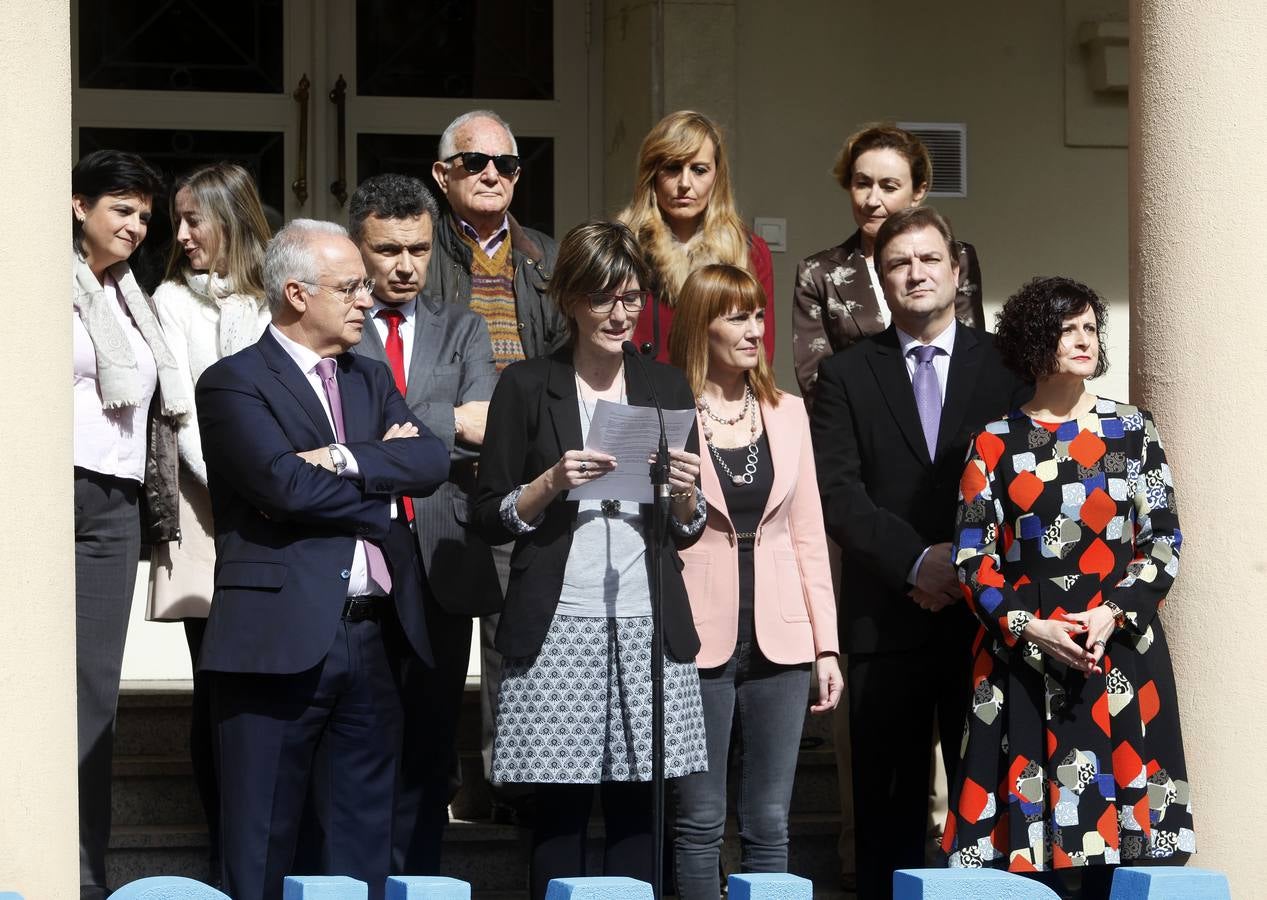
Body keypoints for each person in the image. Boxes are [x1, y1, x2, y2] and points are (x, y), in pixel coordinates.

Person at [195, 219, 449, 900]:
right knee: (262, 841)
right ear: (296, 293)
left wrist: (343, 459)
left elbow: (429, 459)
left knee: (360, 843)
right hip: (277, 642)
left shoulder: (370, 379)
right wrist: (382, 500)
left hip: (375, 637)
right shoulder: (233, 383)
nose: (368, 300)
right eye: (351, 287)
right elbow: (278, 484)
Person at [471, 221, 709, 900]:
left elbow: (685, 530)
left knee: (640, 802)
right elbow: (487, 511)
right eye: (603, 297)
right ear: (569, 299)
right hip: (558, 619)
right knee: (560, 809)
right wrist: (549, 483)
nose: (618, 313)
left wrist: (687, 495)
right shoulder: (525, 385)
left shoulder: (662, 384)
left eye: (631, 297)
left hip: (647, 617)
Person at [943, 276, 1193, 899]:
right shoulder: (992, 443)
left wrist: (1113, 612)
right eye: (1066, 329)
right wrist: (1031, 629)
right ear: (1034, 342)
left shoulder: (1133, 431)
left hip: (1120, 661)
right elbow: (973, 559)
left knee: (1129, 865)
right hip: (1021, 667)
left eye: (1089, 327)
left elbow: (1163, 541)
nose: (1083, 340)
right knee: (1023, 870)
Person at [809, 206, 1030, 900]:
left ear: (956, 270)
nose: (916, 273)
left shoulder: (1006, 367)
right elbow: (839, 493)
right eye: (899, 263)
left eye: (929, 259)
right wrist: (915, 563)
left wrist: (959, 573)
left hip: (984, 625)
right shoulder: (845, 375)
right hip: (886, 620)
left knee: (985, 810)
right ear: (880, 280)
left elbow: (1023, 485)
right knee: (886, 820)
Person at [666, 264, 843, 900]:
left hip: (783, 640)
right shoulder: (666, 411)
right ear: (699, 326)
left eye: (758, 315)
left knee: (770, 822)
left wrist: (826, 646)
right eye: (736, 316)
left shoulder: (788, 412)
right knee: (699, 821)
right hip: (695, 636)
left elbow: (808, 537)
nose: (755, 329)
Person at [346, 173, 500, 873]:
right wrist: (438, 428)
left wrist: (386, 436)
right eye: (387, 250)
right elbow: (338, 426)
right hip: (357, 550)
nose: (405, 266)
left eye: (417, 249)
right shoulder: (337, 330)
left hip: (442, 550)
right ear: (358, 247)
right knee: (364, 732)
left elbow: (485, 426)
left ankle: (419, 879)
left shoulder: (464, 326)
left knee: (432, 735)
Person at [429, 109, 566, 818]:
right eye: (474, 162)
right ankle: (436, 785)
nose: (491, 174)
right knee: (441, 634)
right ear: (441, 174)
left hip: (525, 472)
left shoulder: (544, 255)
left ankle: (509, 783)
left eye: (505, 165)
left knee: (520, 632)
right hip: (443, 466)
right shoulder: (419, 253)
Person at [146, 162, 273, 883]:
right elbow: (182, 408)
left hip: (280, 513)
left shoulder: (270, 299)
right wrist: (243, 482)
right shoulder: (168, 300)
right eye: (180, 221)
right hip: (211, 513)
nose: (183, 234)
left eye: (197, 219)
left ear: (233, 218)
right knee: (217, 684)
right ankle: (223, 851)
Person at [71, 149, 182, 900]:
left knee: (92, 690)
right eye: (121, 209)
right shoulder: (40, 279)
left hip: (112, 503)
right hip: (44, 493)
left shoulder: (134, 298)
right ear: (79, 206)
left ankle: (83, 868)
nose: (136, 225)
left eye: (145, 215)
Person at [793, 124, 985, 402]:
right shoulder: (818, 273)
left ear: (919, 190)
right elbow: (816, 383)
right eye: (862, 184)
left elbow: (970, 355)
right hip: (858, 432)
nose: (872, 200)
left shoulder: (957, 257)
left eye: (889, 186)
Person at [617, 110, 775, 363]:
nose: (684, 183)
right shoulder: (622, 246)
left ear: (717, 176)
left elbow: (760, 354)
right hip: (636, 394)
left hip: (717, 398)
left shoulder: (748, 250)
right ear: (652, 173)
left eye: (699, 170)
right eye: (672, 167)